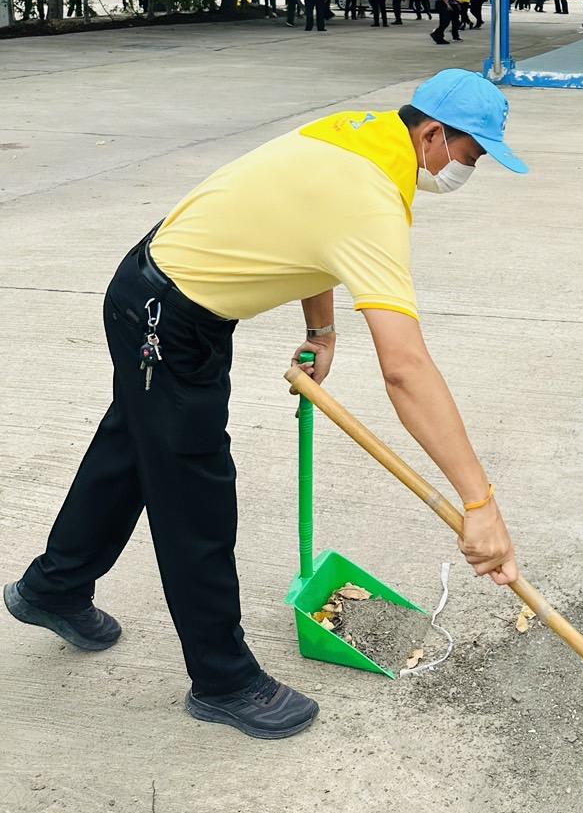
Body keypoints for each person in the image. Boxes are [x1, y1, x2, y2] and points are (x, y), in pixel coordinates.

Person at [6, 71, 527, 738]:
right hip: (168, 317)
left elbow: (313, 232)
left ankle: (53, 588)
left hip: (161, 297)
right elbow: (405, 369)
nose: (469, 169)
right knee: (194, 489)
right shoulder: (370, 194)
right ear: (432, 134)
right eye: (472, 154)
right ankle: (223, 680)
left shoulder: (359, 136)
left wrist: (321, 331)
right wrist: (479, 504)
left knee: (134, 450)